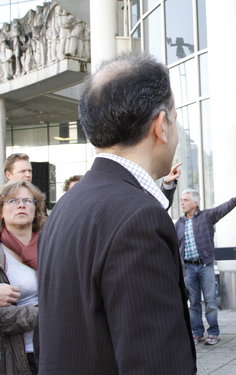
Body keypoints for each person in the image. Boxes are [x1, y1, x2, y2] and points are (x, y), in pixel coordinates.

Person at [36, 54, 196, 374]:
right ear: (161, 124)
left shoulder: (67, 204)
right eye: (175, 119)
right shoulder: (139, 216)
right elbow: (154, 361)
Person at [175, 189, 236, 345]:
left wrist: (235, 199)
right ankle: (197, 333)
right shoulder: (179, 223)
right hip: (188, 268)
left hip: (204, 266)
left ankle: (214, 333)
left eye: (186, 200)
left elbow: (222, 209)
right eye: (181, 200)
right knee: (193, 303)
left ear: (195, 203)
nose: (182, 202)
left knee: (210, 302)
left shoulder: (206, 216)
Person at [0, 181, 47, 375]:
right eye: (12, 201)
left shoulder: (53, 245)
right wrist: (48, 313)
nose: (21, 205)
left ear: (36, 209)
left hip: (57, 350)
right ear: (1, 211)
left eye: (28, 200)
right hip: (15, 358)